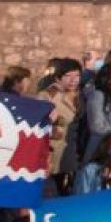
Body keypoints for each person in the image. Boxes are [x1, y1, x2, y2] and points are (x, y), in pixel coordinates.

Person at [38, 57, 82, 195]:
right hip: (56, 154)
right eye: (68, 76)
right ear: (58, 78)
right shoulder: (48, 96)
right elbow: (39, 126)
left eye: (77, 76)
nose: (73, 80)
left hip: (77, 152)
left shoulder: (82, 95)